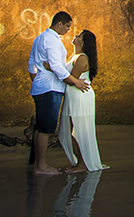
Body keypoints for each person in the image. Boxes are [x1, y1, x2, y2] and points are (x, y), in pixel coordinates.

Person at [27, 11, 90, 176]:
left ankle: (38, 163)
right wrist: (75, 82)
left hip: (41, 87)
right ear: (59, 24)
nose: (68, 30)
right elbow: (56, 67)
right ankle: (41, 166)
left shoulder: (39, 38)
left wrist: (38, 80)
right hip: (50, 89)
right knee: (46, 129)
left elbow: (31, 65)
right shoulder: (53, 41)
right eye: (67, 26)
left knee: (41, 127)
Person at [50, 29, 107, 172]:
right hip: (73, 96)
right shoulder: (74, 56)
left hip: (80, 96)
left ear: (83, 42)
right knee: (70, 130)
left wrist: (52, 69)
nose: (75, 36)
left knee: (79, 130)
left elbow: (69, 79)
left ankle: (82, 163)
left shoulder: (82, 58)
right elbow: (68, 77)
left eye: (79, 36)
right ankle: (80, 162)